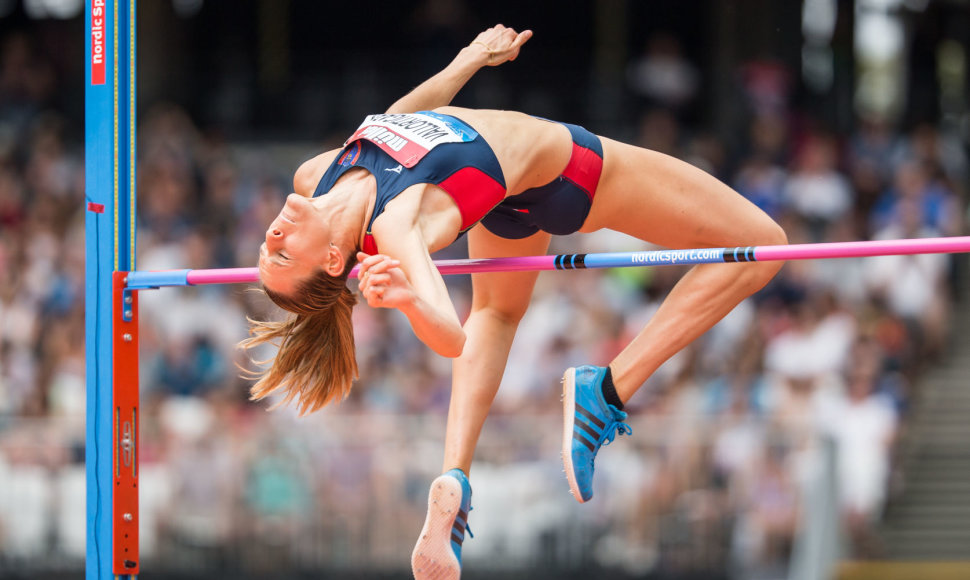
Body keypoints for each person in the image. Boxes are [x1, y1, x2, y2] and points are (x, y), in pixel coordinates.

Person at [242, 24, 787, 580]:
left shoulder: (316, 175)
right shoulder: (397, 225)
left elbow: (395, 122)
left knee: (498, 313)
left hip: (509, 200)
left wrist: (468, 62)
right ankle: (609, 388)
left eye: (266, 248)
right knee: (763, 247)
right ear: (335, 261)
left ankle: (455, 476)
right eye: (282, 257)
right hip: (573, 171)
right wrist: (407, 301)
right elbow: (452, 338)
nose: (273, 239)